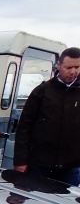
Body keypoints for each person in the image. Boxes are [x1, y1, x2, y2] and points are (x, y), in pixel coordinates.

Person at [13, 46, 80, 185]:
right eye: (68, 68)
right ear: (59, 65)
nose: (73, 72)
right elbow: (24, 127)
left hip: (71, 166)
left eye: (77, 67)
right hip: (40, 164)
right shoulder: (42, 91)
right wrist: (21, 161)